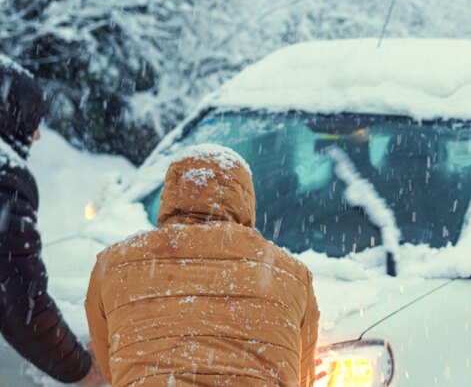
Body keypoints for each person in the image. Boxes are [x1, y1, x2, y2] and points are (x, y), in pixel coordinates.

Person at [85, 144, 320, 386]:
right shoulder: (291, 275)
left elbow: (110, 363)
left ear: (170, 194)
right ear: (246, 199)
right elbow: (302, 377)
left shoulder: (112, 266)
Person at [0, 57, 104, 385]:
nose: (37, 135)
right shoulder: (5, 179)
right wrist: (82, 369)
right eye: (33, 120)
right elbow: (19, 301)